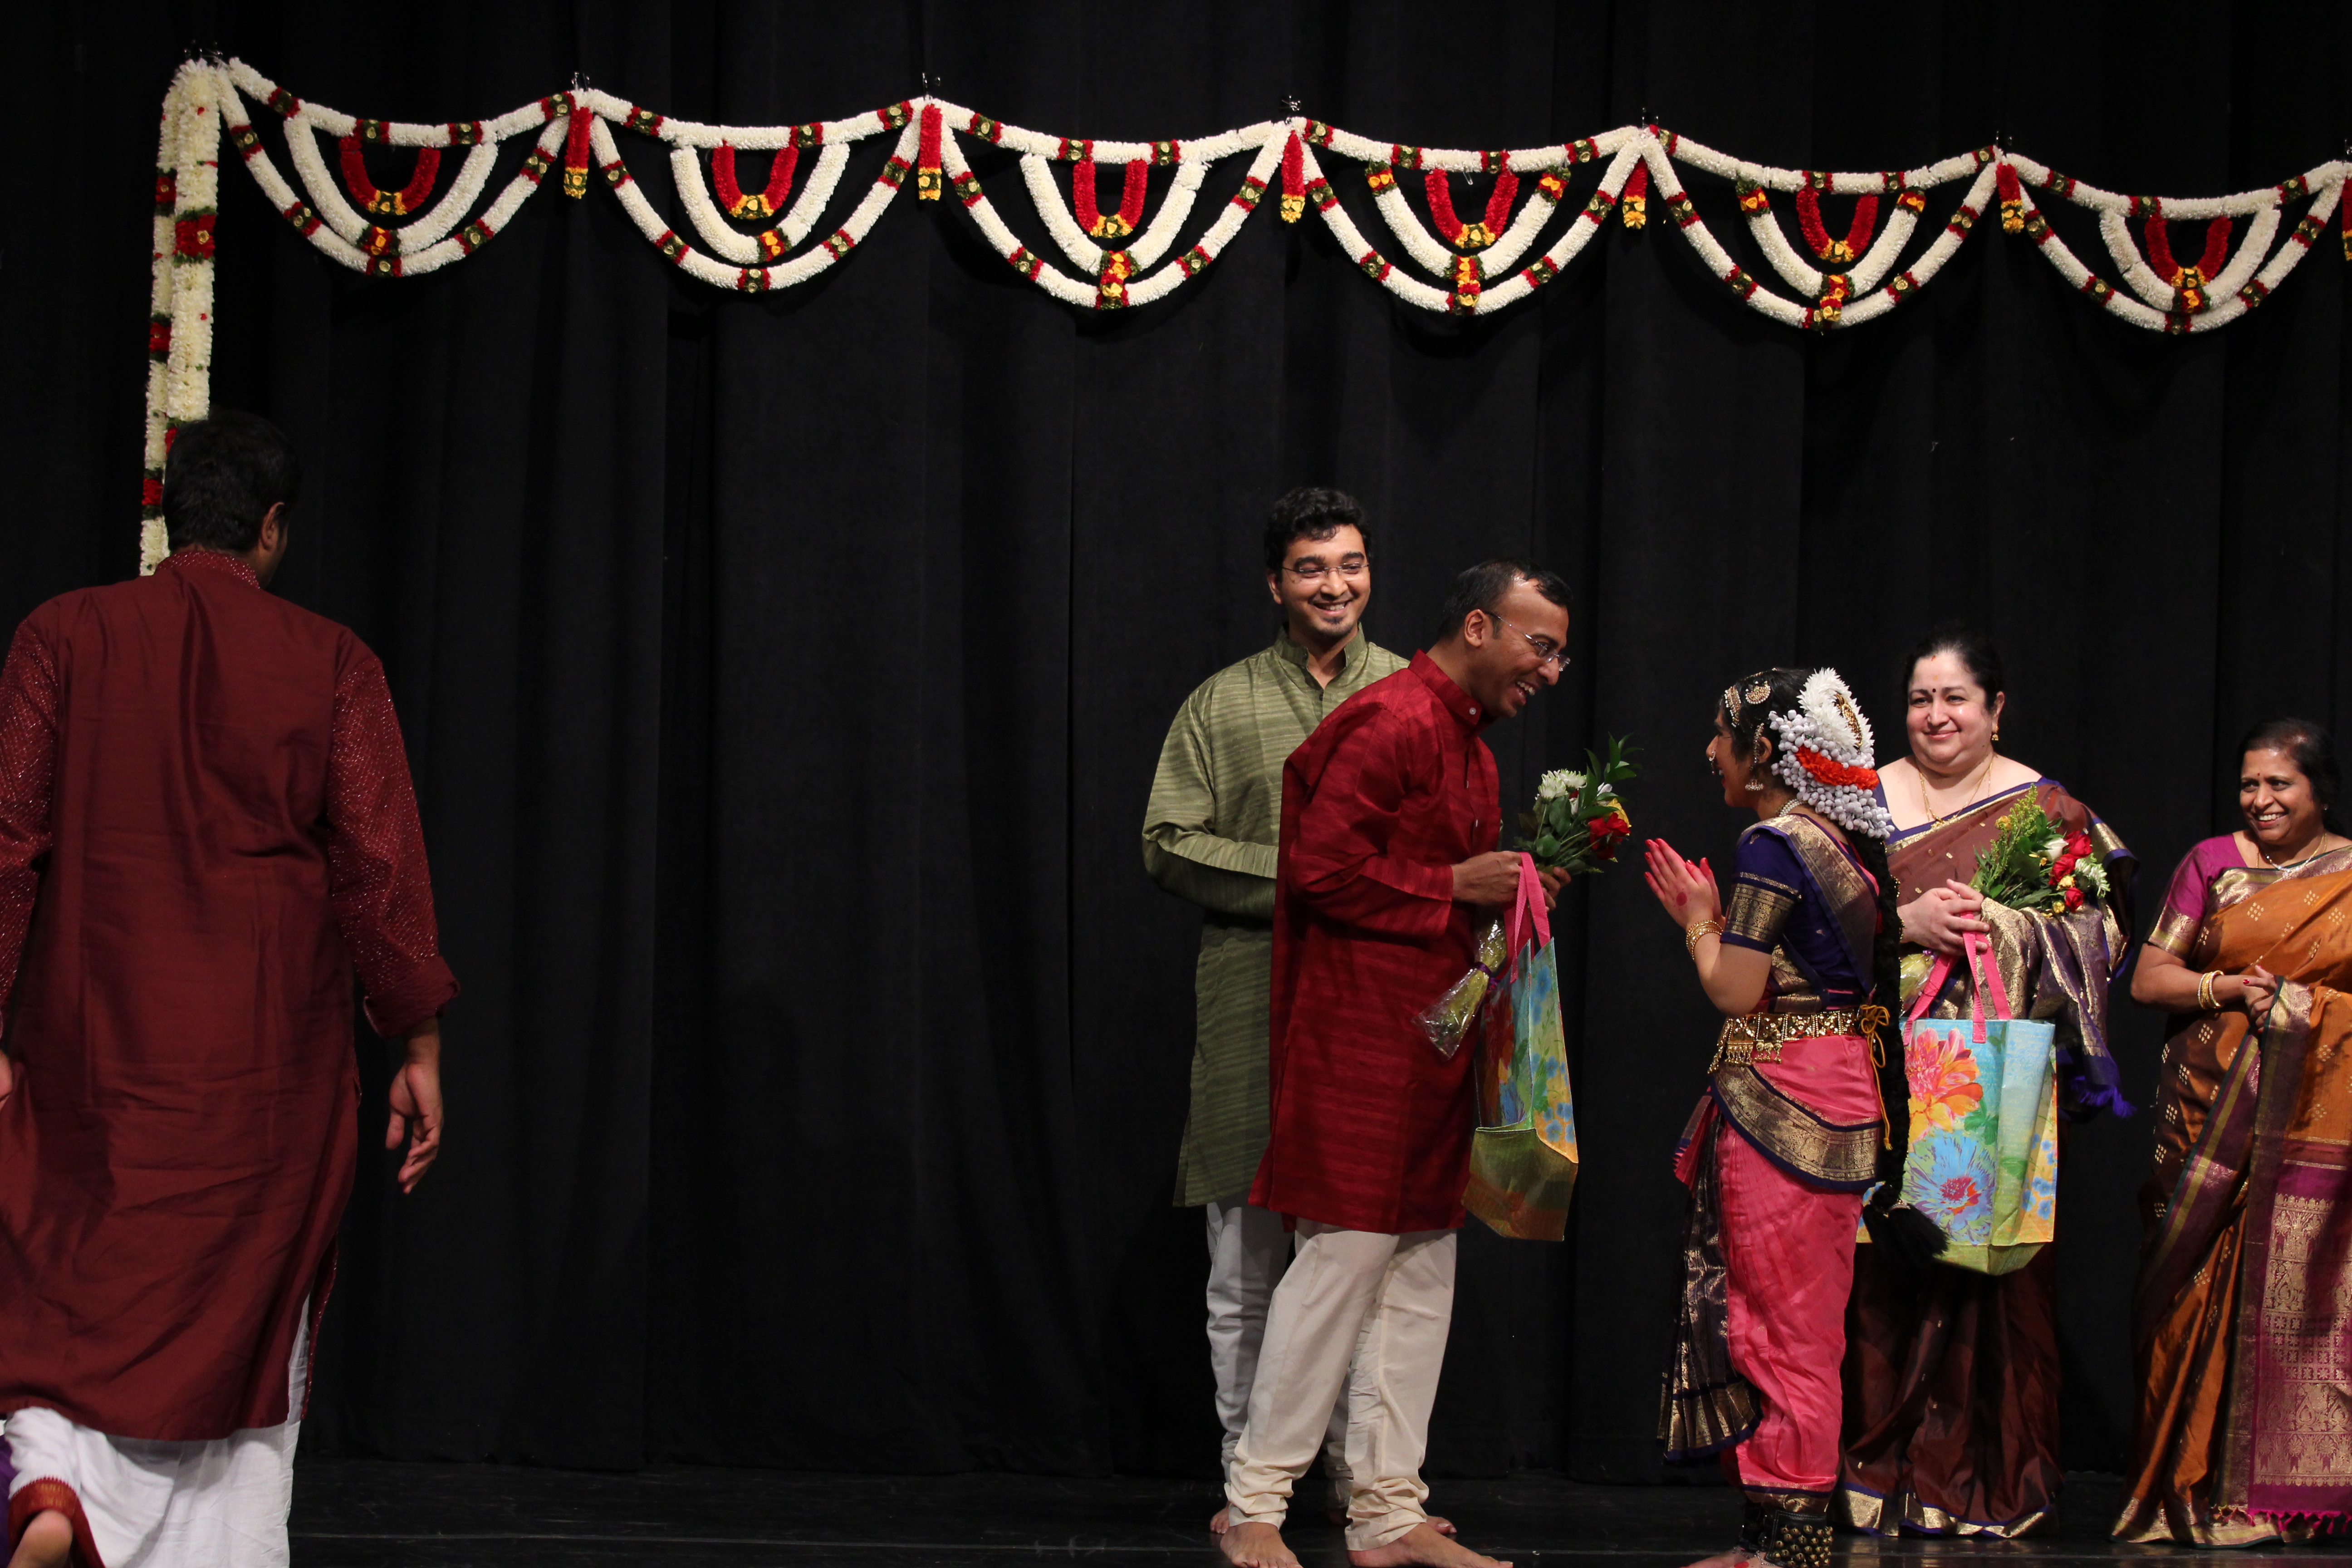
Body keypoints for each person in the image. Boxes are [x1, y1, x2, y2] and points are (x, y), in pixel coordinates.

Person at [0, 412, 457, 1568]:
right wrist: (417, 1042)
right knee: (246, 1322)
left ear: (168, 517)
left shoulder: (60, 636)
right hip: (264, 1087)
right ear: (272, 527)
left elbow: (7, 846)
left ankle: (58, 1490)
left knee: (64, 1289)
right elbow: (380, 875)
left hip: (90, 1065)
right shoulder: (334, 663)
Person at [1219, 560, 1573, 1568]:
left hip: (1431, 1042)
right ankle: (1255, 1505)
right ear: (1479, 626)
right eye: (1540, 645)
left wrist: (1506, 896)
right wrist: (1454, 883)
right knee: (1340, 1261)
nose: (1551, 670)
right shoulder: (1393, 721)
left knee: (1421, 1267)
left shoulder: (1472, 751)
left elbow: (1442, 890)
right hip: (1358, 1039)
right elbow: (1318, 871)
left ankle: (1385, 1513)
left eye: (1560, 654)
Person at [1142, 487, 1407, 1529]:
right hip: (1252, 1006)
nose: (1334, 585)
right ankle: (1250, 1485)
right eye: (1311, 568)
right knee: (1246, 1269)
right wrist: (1304, 876)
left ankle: (1362, 1486)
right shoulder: (1221, 704)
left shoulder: (1414, 695)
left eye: (1350, 564)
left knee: (1363, 1272)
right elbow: (1168, 841)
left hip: (1377, 1014)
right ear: (1276, 584)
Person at [1837, 626, 2135, 1537]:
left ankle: (1978, 1479)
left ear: (1995, 709)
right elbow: (1811, 921)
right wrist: (1904, 920)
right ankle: (1878, 1471)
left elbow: (2105, 936)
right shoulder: (1862, 801)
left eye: (1956, 698)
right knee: (1885, 1263)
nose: (1937, 716)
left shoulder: (2045, 810)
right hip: (1884, 1069)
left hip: (1993, 1080)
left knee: (1992, 1268)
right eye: (1920, 699)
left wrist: (2001, 925)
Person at [1643, 668, 1899, 1568]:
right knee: (1791, 1321)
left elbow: (1734, 988)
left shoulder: (1774, 844)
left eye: (1722, 734)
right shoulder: (1839, 842)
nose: (1711, 750)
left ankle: (1793, 1548)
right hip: (1831, 1091)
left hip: (1787, 1097)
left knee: (1783, 1325)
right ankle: (1772, 1539)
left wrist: (1696, 921)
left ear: (1764, 752)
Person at [2114, 719, 2352, 1544]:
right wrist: (2229, 990)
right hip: (2203, 1110)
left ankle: (2262, 1502)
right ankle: (2176, 1487)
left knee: (2290, 1294)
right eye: (2250, 784)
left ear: (2321, 791)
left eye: (2279, 784)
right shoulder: (2212, 864)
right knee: (2185, 1287)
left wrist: (2302, 1010)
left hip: (2310, 1117)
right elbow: (2150, 979)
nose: (2260, 800)